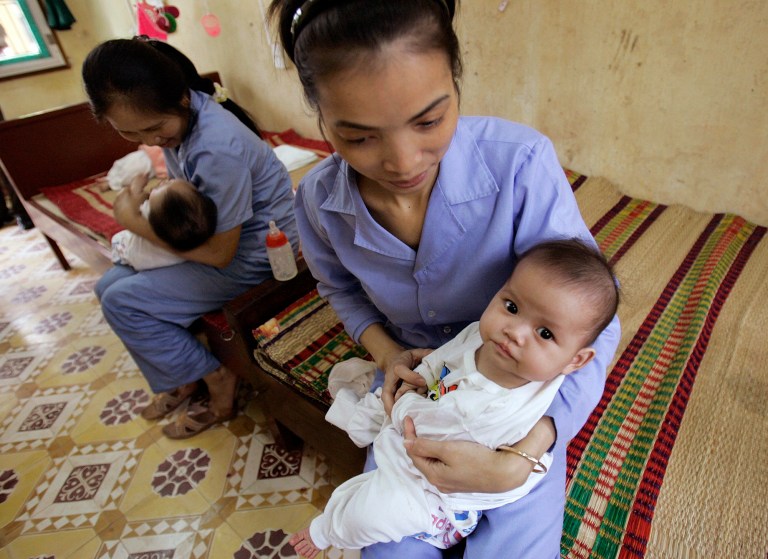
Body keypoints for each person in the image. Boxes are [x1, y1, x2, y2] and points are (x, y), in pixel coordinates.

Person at [268, 1, 621, 557]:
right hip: (422, 394)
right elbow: (337, 288)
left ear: (456, 83)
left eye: (430, 121)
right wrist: (386, 353)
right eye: (359, 137)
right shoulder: (318, 201)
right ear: (318, 115)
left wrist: (523, 455)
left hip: (514, 403)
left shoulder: (521, 164)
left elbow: (593, 323)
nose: (404, 160)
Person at [290, 240, 620, 558]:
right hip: (428, 411)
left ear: (575, 361)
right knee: (363, 406)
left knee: (370, 514)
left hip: (441, 492)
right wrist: (420, 378)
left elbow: (420, 436)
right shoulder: (479, 335)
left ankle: (324, 532)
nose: (514, 332)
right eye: (512, 307)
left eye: (545, 333)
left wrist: (405, 403)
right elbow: (443, 358)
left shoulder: (498, 408)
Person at [82, 38, 298, 439]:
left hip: (257, 256)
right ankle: (183, 373)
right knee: (107, 285)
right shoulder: (181, 125)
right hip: (224, 244)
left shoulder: (217, 147)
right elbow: (191, 196)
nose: (149, 142)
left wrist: (132, 220)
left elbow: (219, 253)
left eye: (153, 128)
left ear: (181, 98)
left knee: (122, 300)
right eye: (130, 134)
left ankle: (215, 377)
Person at [111, 175, 217, 271]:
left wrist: (136, 185)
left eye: (158, 187)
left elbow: (124, 204)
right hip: (157, 264)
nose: (165, 181)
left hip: (124, 252)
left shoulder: (150, 214)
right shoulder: (178, 228)